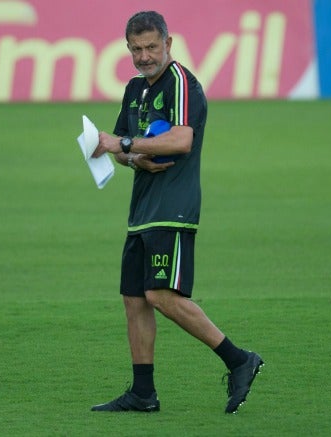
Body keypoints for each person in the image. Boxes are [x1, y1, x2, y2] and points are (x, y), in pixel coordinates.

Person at [89, 11, 263, 414]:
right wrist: (132, 158)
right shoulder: (135, 89)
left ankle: (239, 360)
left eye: (152, 46)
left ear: (169, 43)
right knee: (134, 299)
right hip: (142, 211)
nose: (144, 56)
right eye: (136, 48)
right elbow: (123, 152)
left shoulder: (181, 82)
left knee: (160, 294)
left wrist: (126, 143)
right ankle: (143, 393)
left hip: (174, 209)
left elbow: (182, 139)